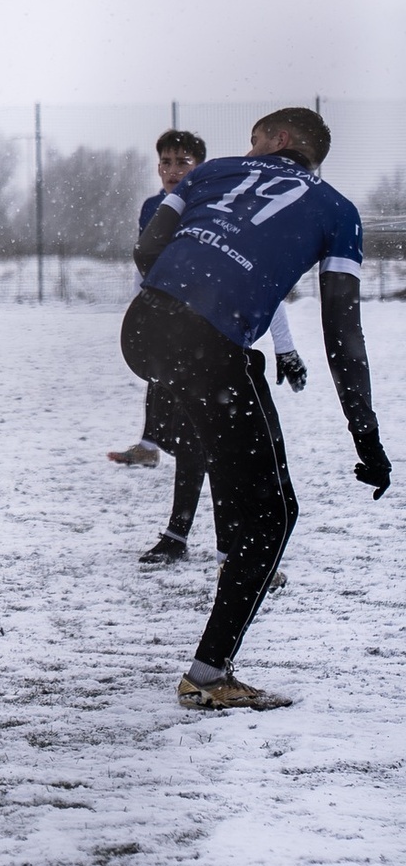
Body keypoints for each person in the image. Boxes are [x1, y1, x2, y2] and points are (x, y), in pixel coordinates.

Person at [121, 106, 391, 711]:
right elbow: (342, 331)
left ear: (282, 140)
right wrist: (365, 436)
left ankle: (202, 535)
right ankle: (210, 674)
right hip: (208, 341)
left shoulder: (210, 172)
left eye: (255, 139)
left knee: (225, 449)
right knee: (276, 512)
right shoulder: (339, 212)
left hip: (143, 328)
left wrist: (191, 286)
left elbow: (149, 250)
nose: (248, 149)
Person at [110, 129, 310, 570]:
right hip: (171, 337)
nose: (172, 171)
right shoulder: (154, 210)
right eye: (165, 162)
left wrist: (285, 348)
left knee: (216, 446)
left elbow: (255, 285)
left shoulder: (225, 208)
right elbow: (149, 273)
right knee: (194, 442)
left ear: (201, 168)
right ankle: (188, 537)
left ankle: (221, 547)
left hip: (216, 340)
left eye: (182, 163)